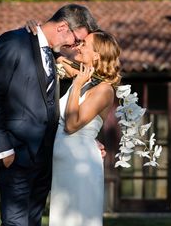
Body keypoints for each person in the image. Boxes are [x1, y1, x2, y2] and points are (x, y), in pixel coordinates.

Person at [0, 4, 98, 226]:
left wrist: (90, 140)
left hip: (45, 158)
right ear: (63, 26)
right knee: (15, 223)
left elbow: (61, 107)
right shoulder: (13, 42)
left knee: (33, 222)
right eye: (76, 40)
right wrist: (2, 148)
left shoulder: (55, 58)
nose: (75, 46)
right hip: (15, 154)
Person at [48, 29, 121, 226]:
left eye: (84, 44)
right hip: (64, 162)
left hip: (80, 163)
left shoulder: (103, 90)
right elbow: (58, 59)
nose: (79, 46)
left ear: (97, 55)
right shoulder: (84, 77)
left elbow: (71, 125)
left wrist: (77, 85)